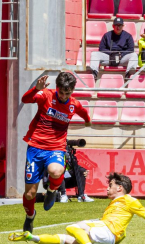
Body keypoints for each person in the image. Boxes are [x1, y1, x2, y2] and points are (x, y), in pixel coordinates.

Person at [9, 172, 145, 244]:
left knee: (73, 227)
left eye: (110, 186)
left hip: (107, 232)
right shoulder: (117, 203)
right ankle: (31, 237)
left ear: (120, 188)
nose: (107, 188)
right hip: (108, 242)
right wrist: (32, 238)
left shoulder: (128, 200)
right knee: (64, 240)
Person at [21, 72, 91, 233]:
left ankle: (52, 191)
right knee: (30, 194)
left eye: (68, 93)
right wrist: (35, 89)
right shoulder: (45, 95)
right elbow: (25, 100)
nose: (65, 96)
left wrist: (88, 121)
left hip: (56, 147)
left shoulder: (74, 104)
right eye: (62, 92)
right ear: (57, 88)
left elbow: (84, 113)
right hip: (35, 147)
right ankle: (30, 216)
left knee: (56, 170)